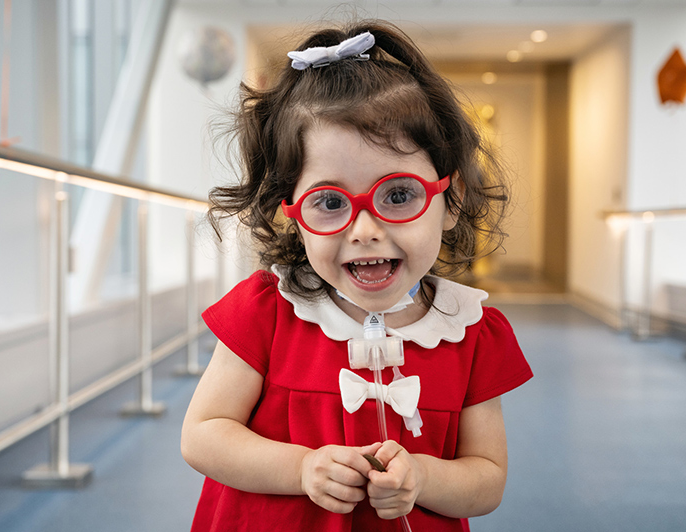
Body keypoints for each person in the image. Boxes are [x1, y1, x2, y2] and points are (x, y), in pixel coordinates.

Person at [181, 20, 533, 532]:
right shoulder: (266, 310)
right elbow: (203, 434)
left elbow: (487, 480)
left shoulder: (472, 330)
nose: (364, 230)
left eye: (398, 195)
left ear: (449, 201)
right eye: (329, 202)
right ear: (293, 213)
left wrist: (424, 478)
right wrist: (300, 468)